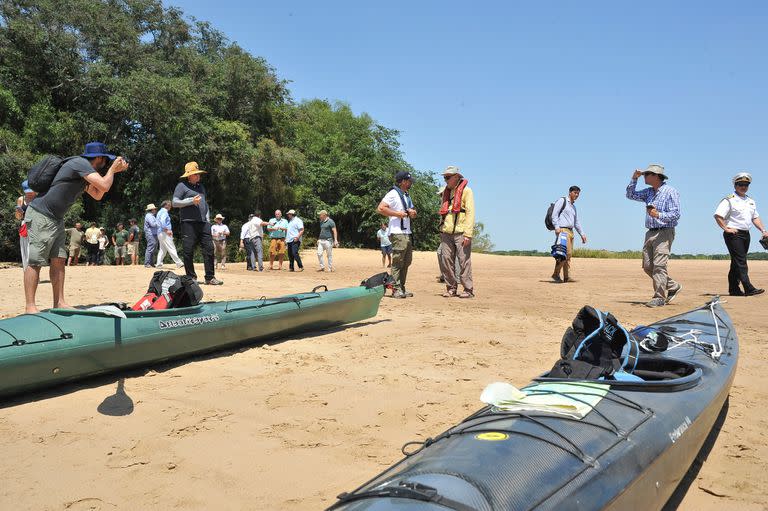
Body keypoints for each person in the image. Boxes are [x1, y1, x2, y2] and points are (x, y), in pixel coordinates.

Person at [23, 141, 128, 313]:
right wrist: (112, 171)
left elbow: (98, 194)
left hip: (56, 219)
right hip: (41, 215)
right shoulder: (79, 163)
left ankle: (59, 302)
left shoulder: (83, 173)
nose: (106, 164)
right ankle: (30, 306)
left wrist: (112, 173)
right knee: (35, 261)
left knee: (59, 260)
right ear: (99, 158)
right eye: (105, 160)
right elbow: (104, 185)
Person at [626, 164, 682, 308]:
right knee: (647, 266)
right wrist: (634, 178)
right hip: (650, 232)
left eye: (647, 174)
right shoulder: (649, 192)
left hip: (664, 231)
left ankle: (659, 297)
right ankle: (673, 286)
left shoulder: (671, 191)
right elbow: (630, 195)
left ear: (656, 176)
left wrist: (659, 214)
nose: (644, 176)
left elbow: (676, 214)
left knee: (659, 265)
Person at [714, 172, 768, 296]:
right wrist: (726, 228)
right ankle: (748, 287)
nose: (743, 187)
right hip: (734, 234)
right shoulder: (729, 200)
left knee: (736, 262)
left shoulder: (751, 201)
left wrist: (763, 230)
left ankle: (734, 289)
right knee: (741, 261)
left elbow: (755, 218)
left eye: (746, 184)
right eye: (740, 184)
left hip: (746, 234)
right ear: (735, 185)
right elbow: (718, 215)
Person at [173, 162, 222, 285]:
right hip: (188, 223)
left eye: (198, 173)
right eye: (195, 174)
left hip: (203, 223)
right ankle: (191, 277)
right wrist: (190, 201)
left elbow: (204, 204)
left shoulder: (201, 187)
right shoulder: (181, 186)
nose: (198, 175)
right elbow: (174, 202)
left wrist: (208, 219)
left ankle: (210, 277)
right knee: (188, 250)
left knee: (209, 249)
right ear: (189, 175)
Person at [437, 166, 476, 298]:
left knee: (463, 261)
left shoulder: (467, 191)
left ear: (456, 177)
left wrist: (468, 234)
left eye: (447, 177)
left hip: (461, 231)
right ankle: (451, 287)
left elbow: (470, 213)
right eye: (444, 177)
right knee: (446, 259)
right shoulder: (446, 191)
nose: (445, 180)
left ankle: (468, 289)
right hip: (446, 231)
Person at [377, 171, 417, 298]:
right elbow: (380, 208)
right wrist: (397, 214)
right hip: (397, 233)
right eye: (409, 181)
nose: (411, 183)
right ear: (403, 181)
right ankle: (395, 289)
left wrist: (413, 213)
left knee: (406, 261)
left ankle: (402, 288)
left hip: (406, 232)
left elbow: (410, 211)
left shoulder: (406, 195)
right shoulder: (393, 193)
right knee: (397, 262)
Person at [550, 186, 588, 283]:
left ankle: (567, 277)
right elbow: (554, 214)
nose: (577, 195)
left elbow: (576, 222)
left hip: (571, 231)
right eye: (575, 193)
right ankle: (556, 274)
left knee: (569, 255)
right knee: (564, 254)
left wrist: (582, 234)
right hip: (562, 230)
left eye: (578, 193)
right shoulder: (562, 201)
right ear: (570, 192)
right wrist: (556, 226)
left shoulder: (573, 207)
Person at [155, 200, 184, 268]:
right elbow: (162, 221)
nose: (170, 206)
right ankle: (179, 263)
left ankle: (159, 264)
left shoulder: (159, 212)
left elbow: (158, 222)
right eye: (169, 204)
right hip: (164, 232)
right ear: (165, 205)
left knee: (163, 249)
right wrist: (166, 230)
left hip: (160, 232)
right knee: (171, 247)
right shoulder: (164, 212)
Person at [15, 180, 36, 270]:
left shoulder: (39, 198)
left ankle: (34, 271)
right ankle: (26, 271)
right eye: (27, 191)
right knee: (25, 249)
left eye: (31, 191)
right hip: (25, 225)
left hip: (37, 225)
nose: (29, 193)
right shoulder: (21, 199)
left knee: (34, 250)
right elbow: (18, 218)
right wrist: (19, 212)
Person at [143, 203, 159, 268]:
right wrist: (159, 222)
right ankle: (147, 263)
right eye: (154, 209)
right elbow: (153, 224)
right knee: (150, 248)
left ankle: (151, 263)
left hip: (153, 234)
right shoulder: (149, 216)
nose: (155, 210)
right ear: (151, 210)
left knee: (153, 248)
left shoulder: (151, 216)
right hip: (150, 234)